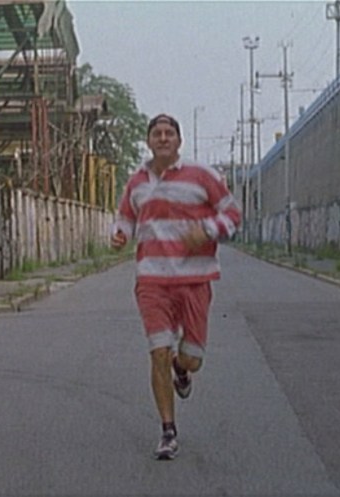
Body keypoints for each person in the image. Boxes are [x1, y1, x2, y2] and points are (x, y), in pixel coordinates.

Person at [110, 113, 242, 460]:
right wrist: (120, 234)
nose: (163, 138)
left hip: (195, 279)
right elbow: (125, 218)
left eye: (169, 133)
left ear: (179, 141)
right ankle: (168, 431)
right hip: (152, 280)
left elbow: (233, 215)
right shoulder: (137, 182)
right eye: (157, 133)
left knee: (192, 358)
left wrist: (208, 230)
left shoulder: (203, 176)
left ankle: (181, 368)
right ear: (149, 141)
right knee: (158, 352)